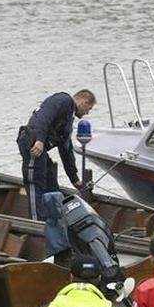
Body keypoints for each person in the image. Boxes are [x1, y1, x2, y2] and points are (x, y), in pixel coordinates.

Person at [17, 90, 96, 220]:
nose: (87, 112)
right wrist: (40, 140)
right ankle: (36, 223)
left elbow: (66, 151)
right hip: (32, 142)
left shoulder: (68, 118)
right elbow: (43, 117)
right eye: (89, 108)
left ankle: (55, 221)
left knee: (51, 183)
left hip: (40, 148)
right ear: (84, 101)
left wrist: (74, 179)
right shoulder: (63, 100)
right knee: (35, 182)